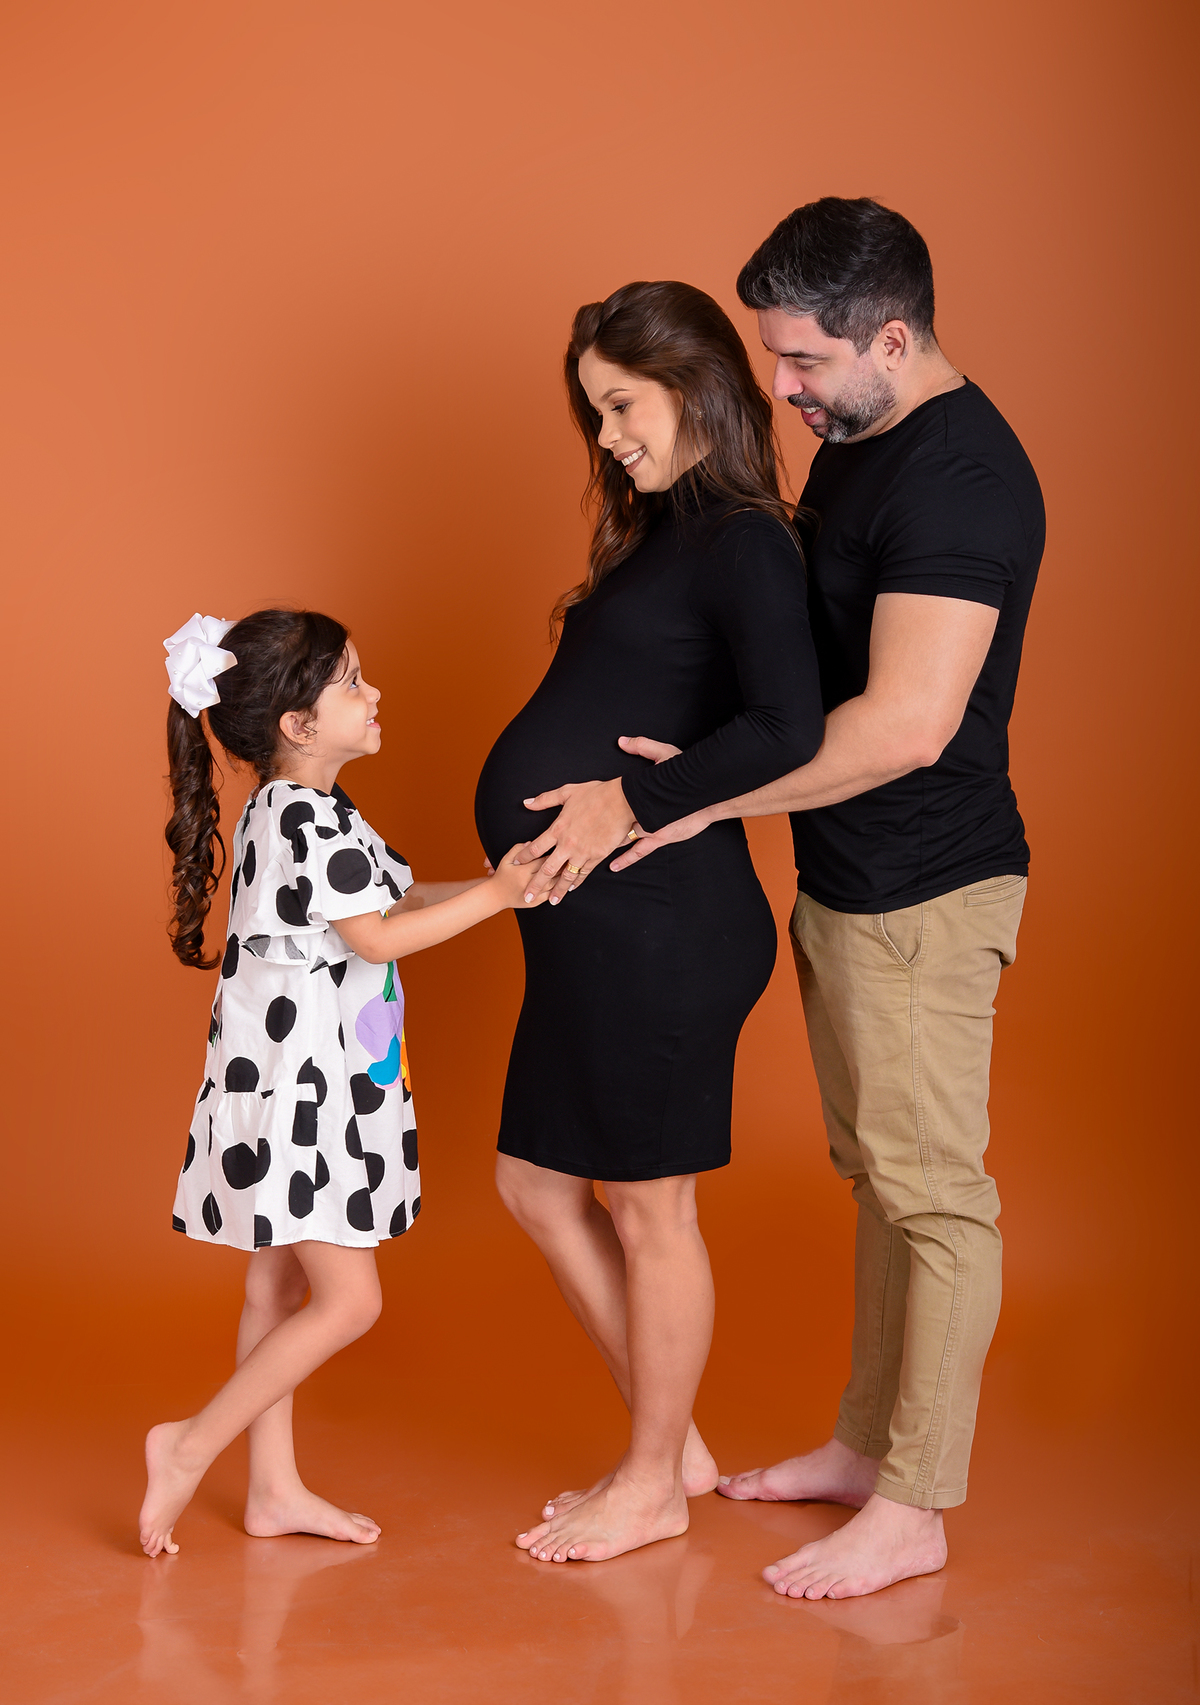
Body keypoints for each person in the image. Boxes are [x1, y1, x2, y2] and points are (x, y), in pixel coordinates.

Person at [522, 198, 1045, 1599]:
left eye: (805, 360)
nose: (782, 386)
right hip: (846, 881)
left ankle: (918, 1503)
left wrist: (678, 797)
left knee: (935, 1196)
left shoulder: (964, 480)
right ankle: (869, 1446)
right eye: (772, 356)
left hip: (928, 888)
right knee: (879, 1180)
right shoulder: (862, 442)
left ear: (894, 338)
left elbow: (907, 725)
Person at [474, 282, 825, 1564]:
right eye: (596, 415)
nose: (610, 436)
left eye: (623, 405)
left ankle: (651, 1480)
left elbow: (789, 724)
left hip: (663, 924)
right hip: (588, 925)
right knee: (532, 1183)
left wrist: (633, 799)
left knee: (648, 1205)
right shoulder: (659, 532)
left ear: (696, 386)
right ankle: (670, 1444)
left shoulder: (744, 539)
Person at [140, 608, 543, 1558]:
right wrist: (499, 896)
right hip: (302, 1098)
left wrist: (502, 885)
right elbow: (377, 939)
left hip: (301, 1083)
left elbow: (387, 901)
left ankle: (272, 1486)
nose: (374, 694)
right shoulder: (302, 816)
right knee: (349, 1301)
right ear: (297, 724)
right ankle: (187, 1444)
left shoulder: (304, 809)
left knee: (276, 1285)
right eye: (352, 681)